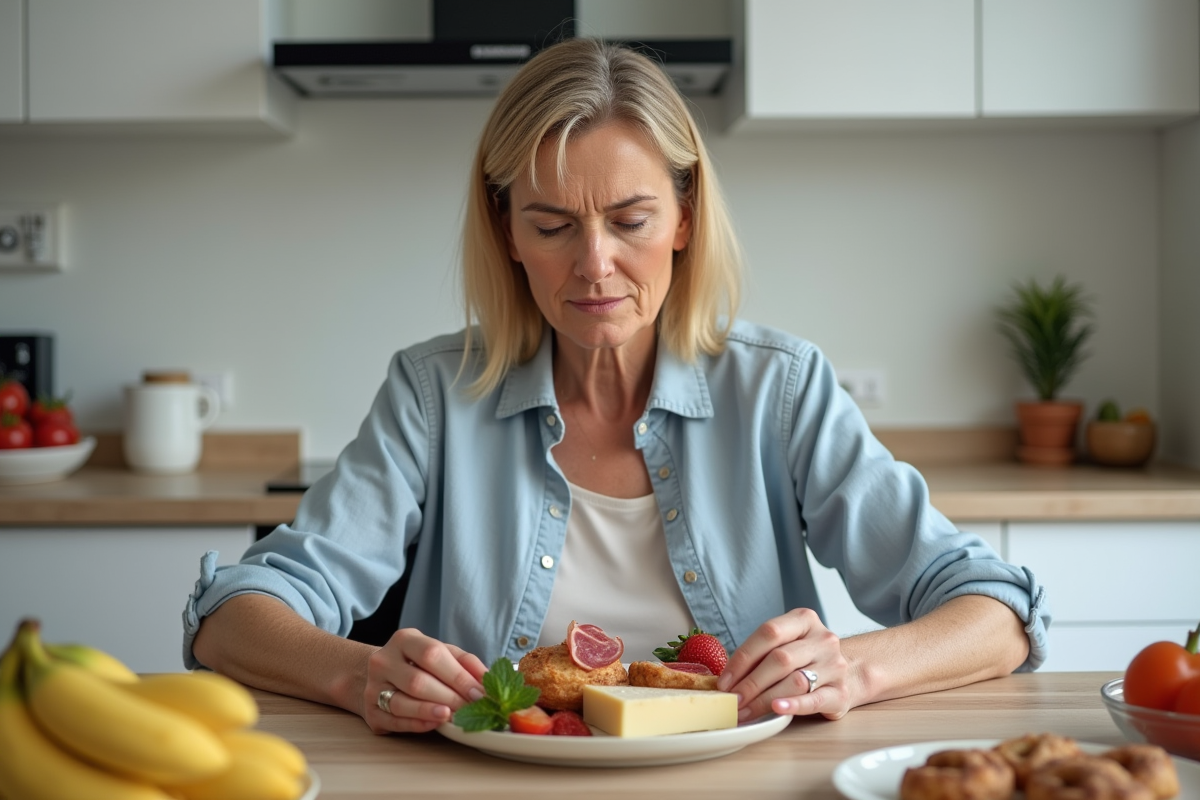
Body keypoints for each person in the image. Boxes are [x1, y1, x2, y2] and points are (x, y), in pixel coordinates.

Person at [187, 37, 1049, 735]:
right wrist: (357, 672)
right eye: (553, 225)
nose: (594, 266)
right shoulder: (432, 395)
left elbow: (997, 612)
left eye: (630, 220)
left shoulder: (779, 390)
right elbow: (233, 614)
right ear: (508, 233)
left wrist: (852, 671)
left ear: (683, 217)